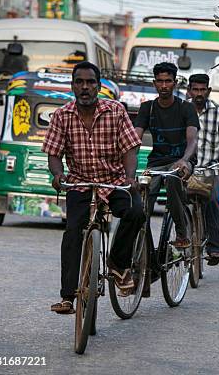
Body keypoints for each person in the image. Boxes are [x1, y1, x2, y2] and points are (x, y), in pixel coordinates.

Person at [43, 61, 145, 314]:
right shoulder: (61, 115)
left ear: (99, 86)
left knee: (136, 213)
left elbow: (130, 147)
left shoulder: (116, 111)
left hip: (114, 182)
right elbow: (54, 153)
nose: (85, 87)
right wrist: (58, 174)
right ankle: (68, 296)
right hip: (80, 183)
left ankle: (118, 264)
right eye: (80, 82)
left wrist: (130, 177)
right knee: (73, 232)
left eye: (90, 82)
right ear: (73, 86)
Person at [134, 62, 200, 249]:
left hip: (182, 161)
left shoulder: (186, 108)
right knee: (142, 197)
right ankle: (142, 250)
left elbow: (192, 141)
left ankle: (181, 232)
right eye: (160, 81)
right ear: (154, 83)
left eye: (168, 81)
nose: (164, 86)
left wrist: (184, 160)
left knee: (173, 179)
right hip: (156, 162)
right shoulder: (148, 108)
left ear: (175, 83)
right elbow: (135, 138)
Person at [190, 73, 219, 266]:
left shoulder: (218, 111)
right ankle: (177, 243)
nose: (199, 93)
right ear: (190, 90)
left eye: (202, 89)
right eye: (195, 89)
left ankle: (215, 247)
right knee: (175, 203)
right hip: (187, 170)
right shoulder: (182, 109)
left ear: (208, 90)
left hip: (210, 169)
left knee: (212, 202)